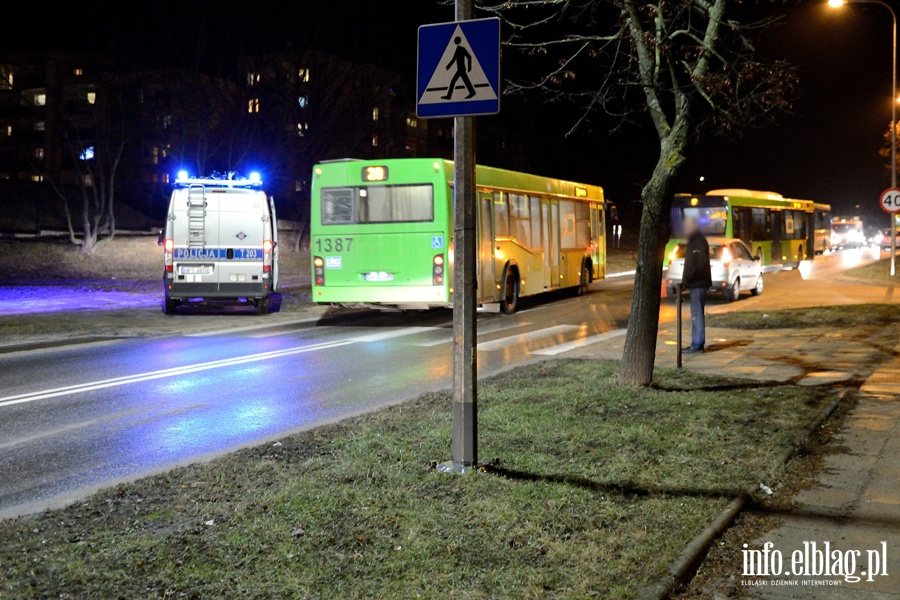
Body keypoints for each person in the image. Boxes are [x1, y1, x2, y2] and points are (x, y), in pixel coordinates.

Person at [681, 216, 711, 353]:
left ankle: (697, 344)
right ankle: (696, 343)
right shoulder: (695, 240)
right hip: (697, 283)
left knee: (697, 314)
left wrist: (687, 280)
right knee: (696, 314)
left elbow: (697, 265)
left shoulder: (697, 241)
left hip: (697, 283)